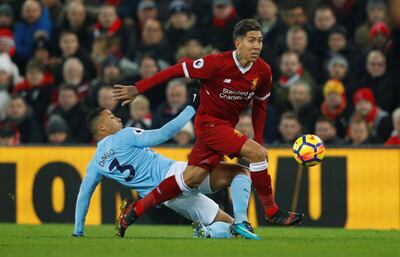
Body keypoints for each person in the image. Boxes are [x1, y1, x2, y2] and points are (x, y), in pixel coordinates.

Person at [112, 18, 304, 237]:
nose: (256, 46)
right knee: (258, 155)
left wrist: (258, 140)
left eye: (259, 41)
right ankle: (271, 211)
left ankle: (134, 211)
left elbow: (260, 107)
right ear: (238, 43)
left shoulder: (263, 72)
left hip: (224, 128)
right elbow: (174, 71)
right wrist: (138, 88)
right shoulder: (216, 63)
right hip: (208, 124)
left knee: (192, 178)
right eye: (251, 40)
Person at [74, 97, 259, 240]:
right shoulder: (124, 135)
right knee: (240, 172)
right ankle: (242, 219)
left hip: (169, 200)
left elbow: (84, 195)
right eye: (112, 117)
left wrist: (78, 230)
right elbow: (164, 133)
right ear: (101, 127)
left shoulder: (96, 163)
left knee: (230, 226)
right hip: (175, 175)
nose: (118, 118)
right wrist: (191, 108)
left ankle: (209, 232)